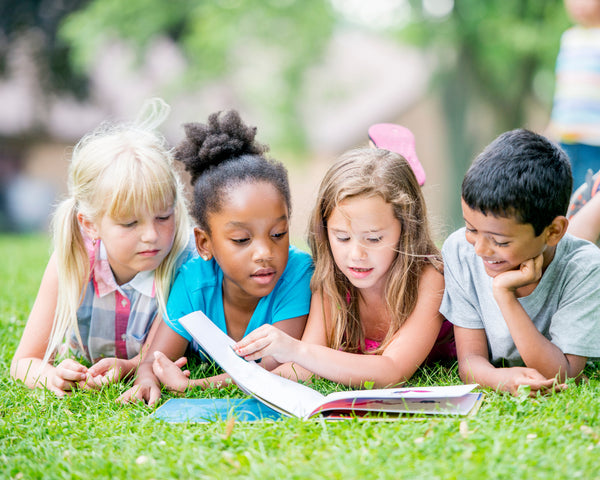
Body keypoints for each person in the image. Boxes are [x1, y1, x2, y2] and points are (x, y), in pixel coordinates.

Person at [119, 110, 313, 405]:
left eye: (278, 234)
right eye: (241, 240)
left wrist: (194, 386)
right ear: (205, 243)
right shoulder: (194, 280)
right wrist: (147, 380)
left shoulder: (297, 274)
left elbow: (269, 367)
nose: (264, 253)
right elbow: (154, 359)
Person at [10, 98, 196, 396]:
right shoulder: (73, 260)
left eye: (163, 216)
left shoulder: (183, 264)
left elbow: (156, 360)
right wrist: (52, 377)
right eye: (130, 224)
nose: (151, 235)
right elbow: (24, 362)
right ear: (90, 224)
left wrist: (128, 367)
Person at [233, 147, 455, 388]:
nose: (356, 255)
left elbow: (392, 371)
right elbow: (305, 367)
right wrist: (217, 382)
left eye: (373, 239)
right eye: (342, 237)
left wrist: (296, 349)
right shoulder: (333, 280)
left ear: (406, 230)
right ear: (325, 230)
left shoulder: (428, 278)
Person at [441, 128, 600, 396]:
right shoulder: (459, 251)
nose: (480, 249)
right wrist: (497, 378)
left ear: (553, 231)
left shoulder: (584, 269)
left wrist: (505, 295)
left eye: (500, 241)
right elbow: (470, 361)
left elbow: (564, 374)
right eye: (471, 228)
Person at [548, 0, 600, 190]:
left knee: (590, 196)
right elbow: (564, 89)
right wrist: (553, 127)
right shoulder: (569, 39)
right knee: (567, 197)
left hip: (594, 140)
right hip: (566, 138)